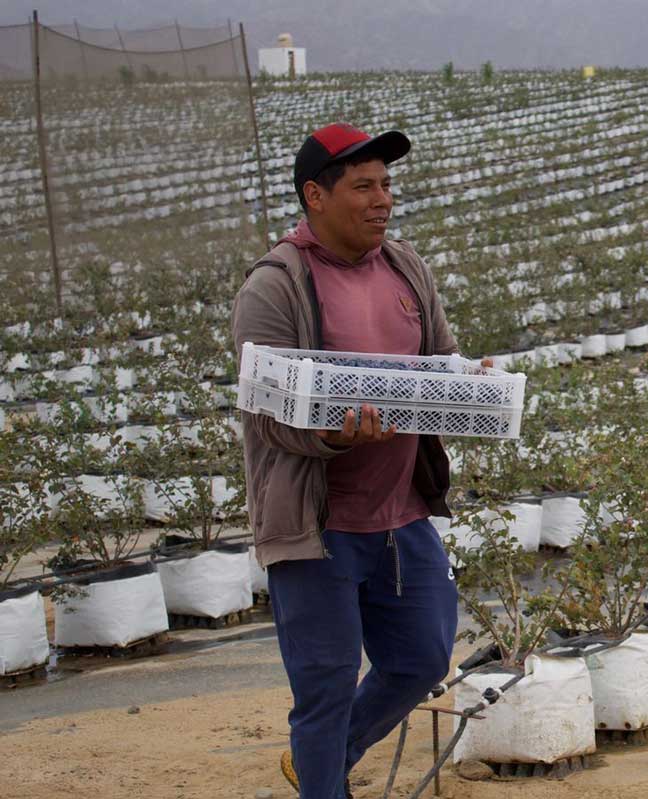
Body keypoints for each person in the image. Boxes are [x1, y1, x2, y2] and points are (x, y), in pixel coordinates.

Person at [232, 123, 470, 799]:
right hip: (318, 527)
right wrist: (339, 437)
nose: (382, 200)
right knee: (325, 688)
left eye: (387, 184)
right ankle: (323, 773)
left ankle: (324, 759)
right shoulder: (277, 286)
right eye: (363, 185)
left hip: (401, 514)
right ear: (315, 195)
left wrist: (469, 385)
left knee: (422, 656)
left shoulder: (405, 267)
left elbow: (438, 361)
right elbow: (266, 412)